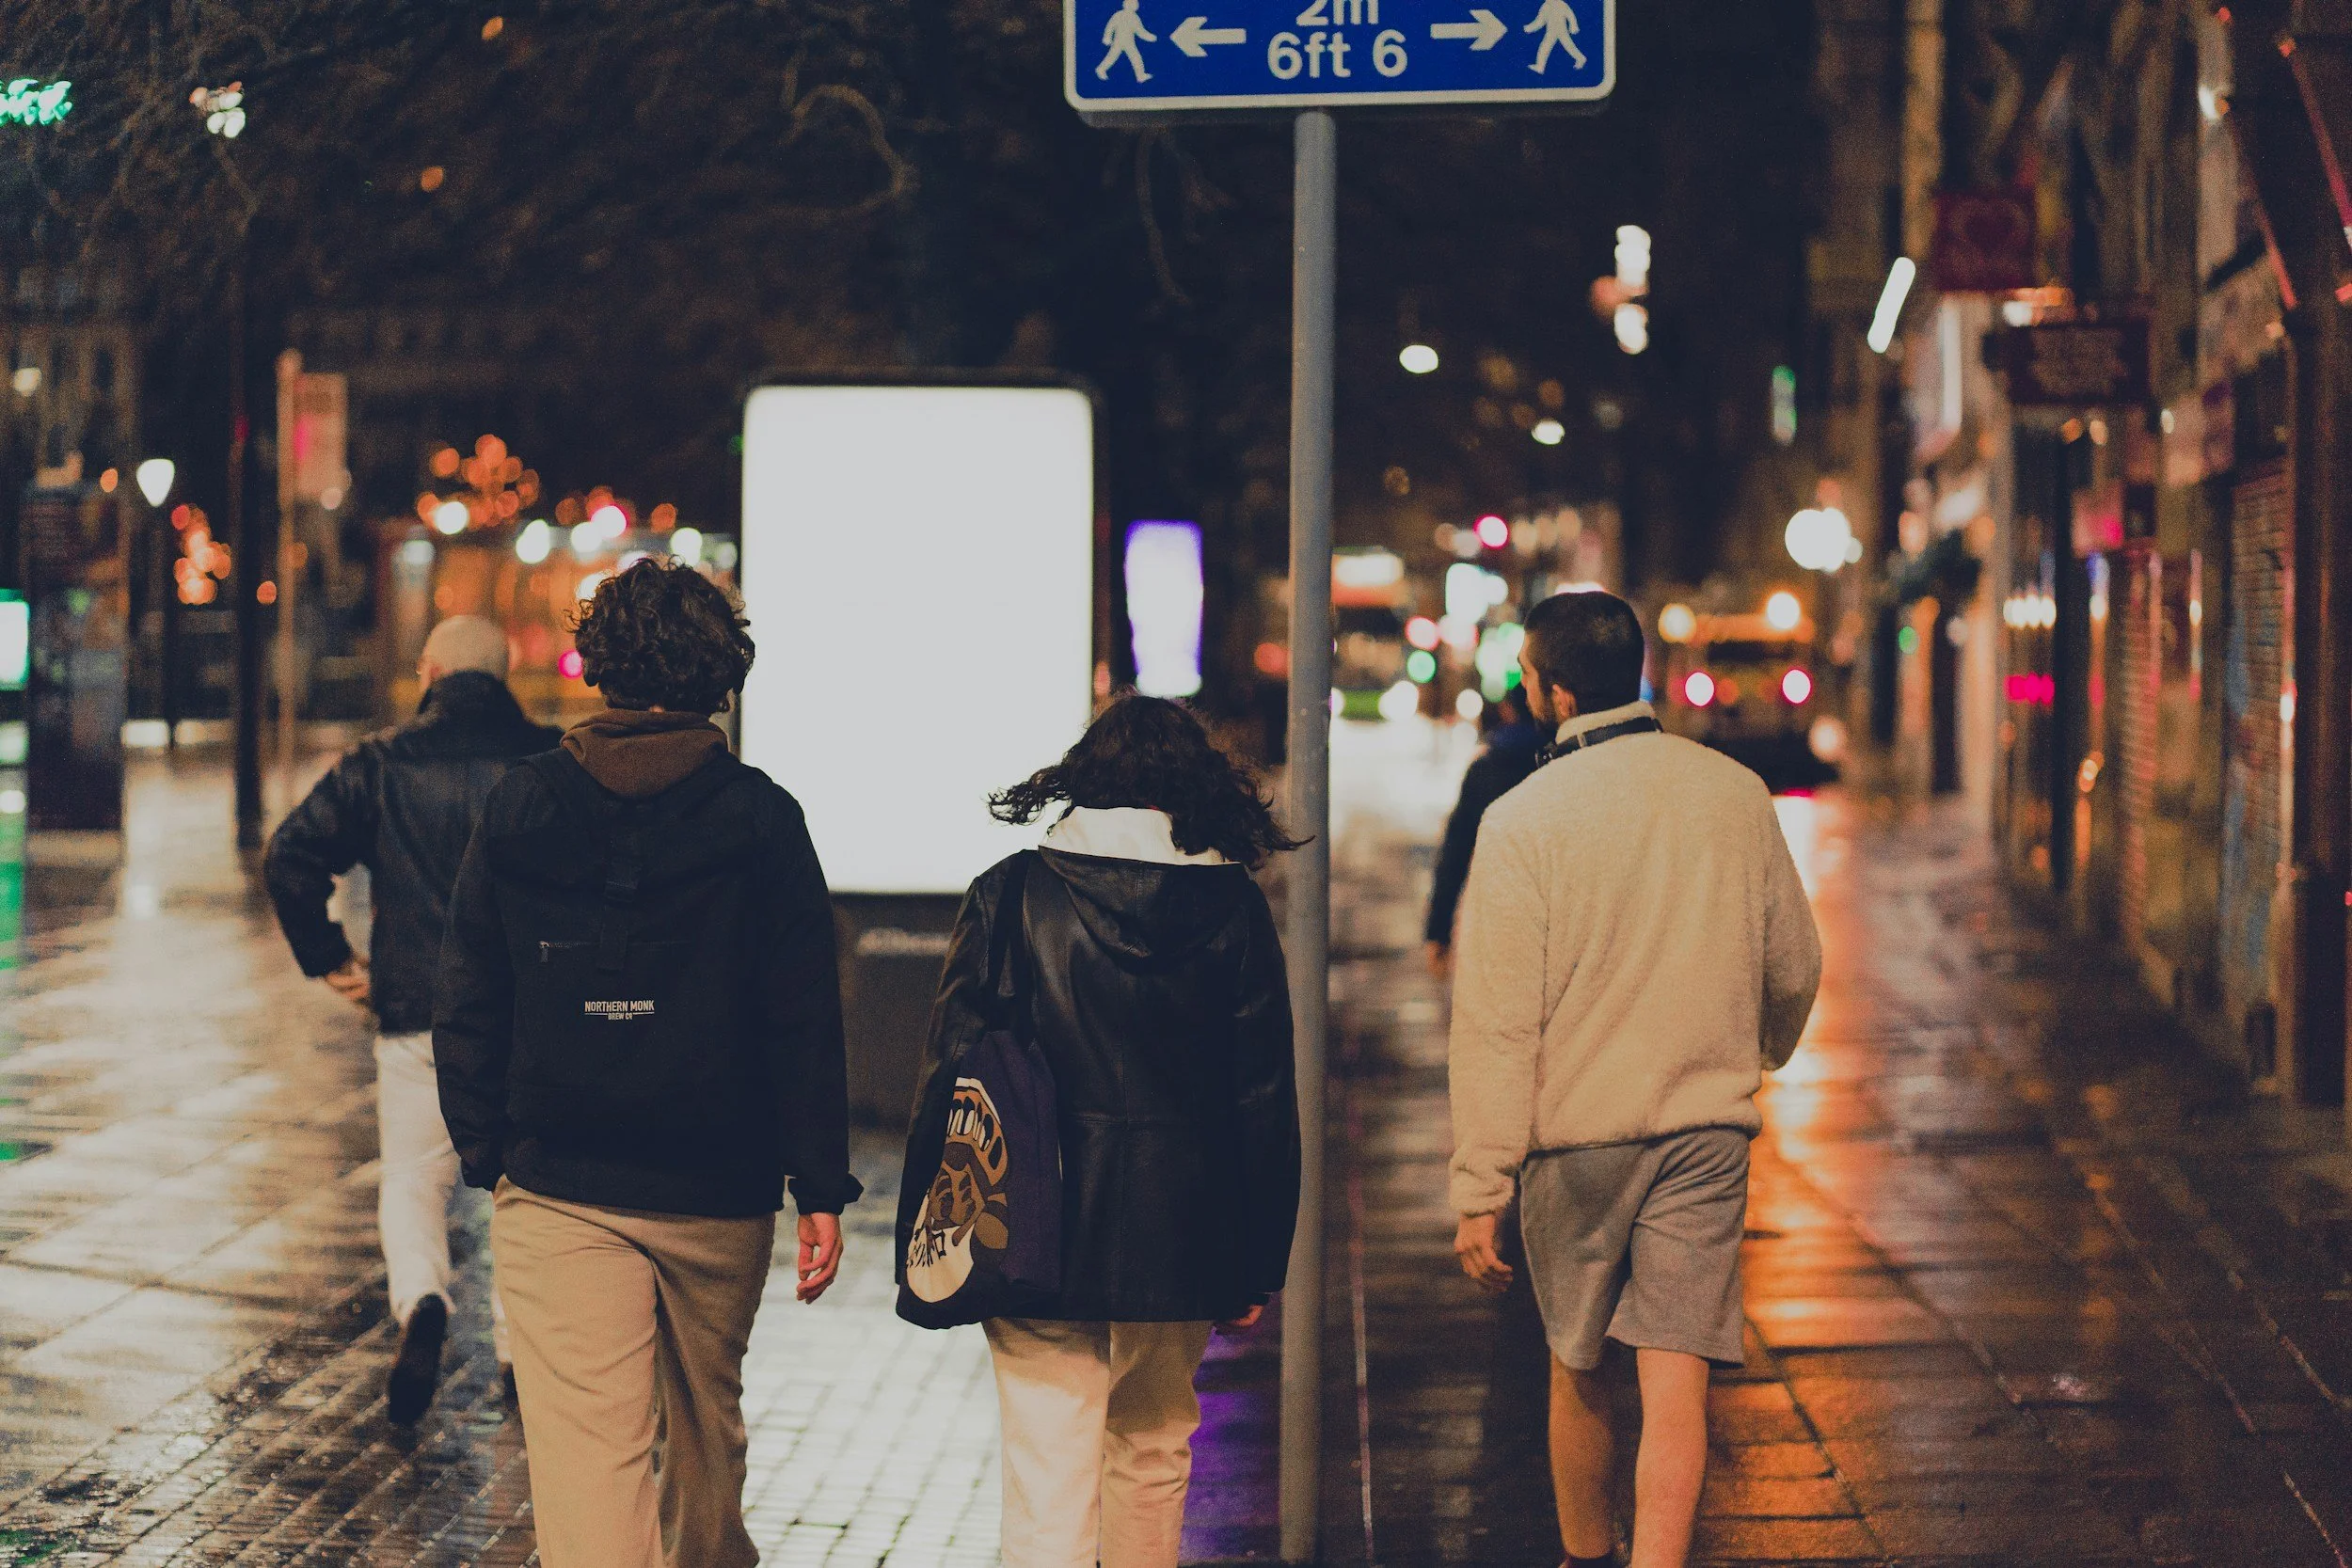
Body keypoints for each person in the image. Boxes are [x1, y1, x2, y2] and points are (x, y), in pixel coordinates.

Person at [435, 561, 856, 1568]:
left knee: (589, 1460)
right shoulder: (761, 818)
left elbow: (469, 985)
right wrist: (819, 1183)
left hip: (559, 1184)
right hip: (717, 1187)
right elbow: (801, 1012)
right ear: (721, 674)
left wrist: (487, 1147)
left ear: (600, 665)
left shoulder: (523, 803)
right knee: (706, 1436)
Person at [1447, 590, 1820, 1568]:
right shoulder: (1733, 792)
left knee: (1577, 1365)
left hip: (1577, 1137)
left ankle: (1586, 1555)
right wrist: (1757, 1048)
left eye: (1528, 678)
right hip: (1705, 1130)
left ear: (1557, 691)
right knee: (1677, 1379)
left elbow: (1497, 1019)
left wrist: (1481, 1184)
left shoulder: (1522, 818)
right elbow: (1795, 962)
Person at [909, 694, 1302, 1568]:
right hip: (1183, 1232)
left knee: (1047, 1471)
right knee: (1154, 1450)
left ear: (1082, 779)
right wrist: (1257, 1257)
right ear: (1190, 790)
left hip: (1029, 1223)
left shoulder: (1011, 893)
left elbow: (949, 1071)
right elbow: (1263, 1096)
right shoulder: (1233, 907)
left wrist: (924, 1229)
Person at [263, 613, 559, 1423]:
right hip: (524, 1017)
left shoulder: (380, 762)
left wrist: (331, 956)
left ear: (429, 670)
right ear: (504, 671)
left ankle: (423, 1298)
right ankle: (517, 1352)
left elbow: (289, 853)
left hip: (416, 1012)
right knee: (522, 1185)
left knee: (413, 1177)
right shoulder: (550, 761)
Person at [1424, 682, 1546, 977]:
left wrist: (1438, 931)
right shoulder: (1560, 763)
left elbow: (1455, 853)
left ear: (1508, 711)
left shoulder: (1487, 769)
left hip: (1498, 914)